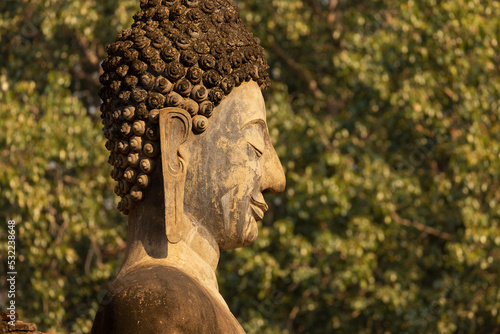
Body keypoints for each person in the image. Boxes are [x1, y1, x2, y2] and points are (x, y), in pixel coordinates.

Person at [91, 1, 285, 332]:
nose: (275, 178)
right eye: (255, 145)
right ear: (176, 146)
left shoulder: (186, 299)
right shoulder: (157, 302)